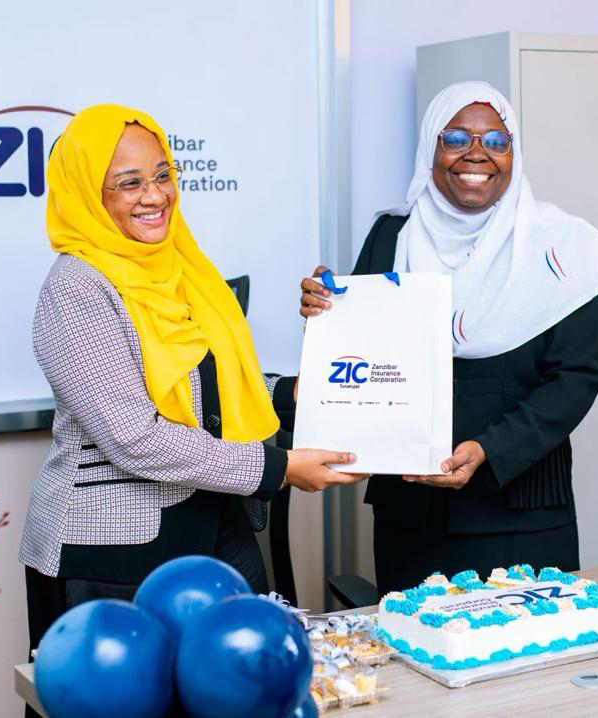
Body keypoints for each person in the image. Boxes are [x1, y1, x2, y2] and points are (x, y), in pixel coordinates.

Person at [19, 105, 361, 711]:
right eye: (129, 183)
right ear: (89, 193)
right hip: (112, 553)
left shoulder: (182, 266)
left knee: (243, 697)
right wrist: (280, 468)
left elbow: (213, 386)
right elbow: (135, 437)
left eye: (162, 175)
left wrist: (294, 392)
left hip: (215, 525)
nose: (154, 196)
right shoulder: (77, 288)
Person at [300, 82, 598, 595]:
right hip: (411, 513)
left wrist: (489, 449)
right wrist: (326, 313)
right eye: (455, 138)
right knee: (414, 641)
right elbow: (366, 351)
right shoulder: (392, 234)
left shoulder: (565, 248)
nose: (476, 154)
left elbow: (575, 377)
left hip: (521, 510)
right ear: (429, 149)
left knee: (531, 642)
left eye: (496, 141)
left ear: (513, 152)